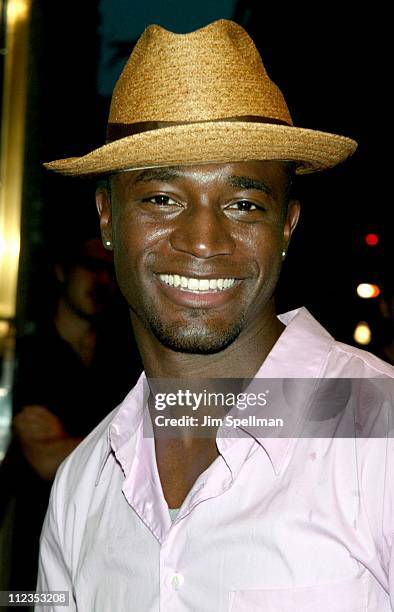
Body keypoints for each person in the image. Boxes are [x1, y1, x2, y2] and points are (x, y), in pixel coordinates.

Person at [36, 20, 393, 611]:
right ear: (106, 219)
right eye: (162, 199)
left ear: (286, 226)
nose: (204, 240)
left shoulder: (375, 432)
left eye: (244, 204)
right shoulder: (84, 482)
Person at [3, 235, 141, 592]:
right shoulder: (28, 356)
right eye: (91, 268)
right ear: (62, 271)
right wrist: (130, 437)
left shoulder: (123, 361)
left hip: (104, 554)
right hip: (32, 553)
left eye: (110, 271)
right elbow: (46, 459)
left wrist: (70, 441)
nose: (102, 281)